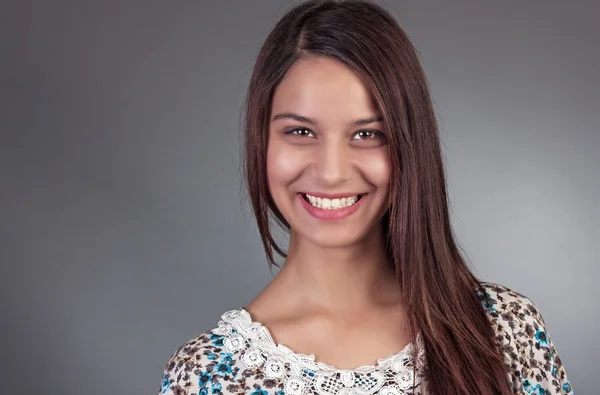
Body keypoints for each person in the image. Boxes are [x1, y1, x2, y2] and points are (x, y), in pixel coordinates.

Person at [158, 1, 573, 394]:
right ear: (260, 141)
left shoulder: (504, 330)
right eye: (300, 132)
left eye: (367, 134)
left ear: (409, 146)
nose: (332, 171)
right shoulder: (204, 374)